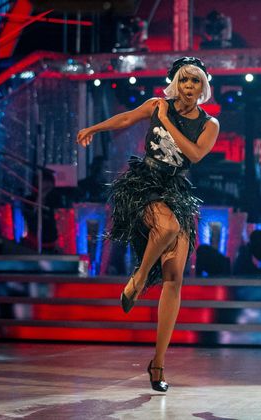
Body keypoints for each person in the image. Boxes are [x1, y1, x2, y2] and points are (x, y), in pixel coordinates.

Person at [76, 57, 219, 392]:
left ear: (203, 88)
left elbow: (195, 155)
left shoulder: (209, 124)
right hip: (144, 185)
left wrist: (168, 125)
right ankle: (139, 277)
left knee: (174, 277)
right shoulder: (157, 105)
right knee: (166, 229)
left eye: (194, 82)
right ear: (175, 83)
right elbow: (127, 118)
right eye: (183, 81)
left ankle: (157, 364)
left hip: (177, 191)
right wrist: (94, 128)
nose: (188, 88)